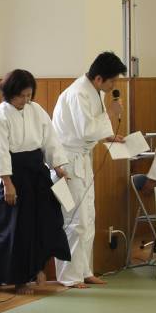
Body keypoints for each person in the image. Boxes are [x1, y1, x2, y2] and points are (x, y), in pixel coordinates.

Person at [0, 69, 69, 293]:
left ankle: (38, 268)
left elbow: (50, 139)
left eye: (29, 95)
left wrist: (58, 166)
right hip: (14, 175)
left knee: (46, 219)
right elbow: (0, 152)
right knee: (18, 227)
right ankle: (19, 279)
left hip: (37, 171)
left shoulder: (36, 110)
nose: (25, 100)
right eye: (21, 95)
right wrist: (7, 183)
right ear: (9, 93)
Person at [52, 51, 126, 289]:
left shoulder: (92, 91)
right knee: (74, 220)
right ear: (99, 78)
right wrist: (111, 113)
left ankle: (84, 270)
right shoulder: (78, 93)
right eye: (112, 81)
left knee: (88, 218)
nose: (114, 85)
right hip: (66, 164)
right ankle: (69, 275)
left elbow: (90, 127)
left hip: (82, 160)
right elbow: (85, 131)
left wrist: (108, 135)